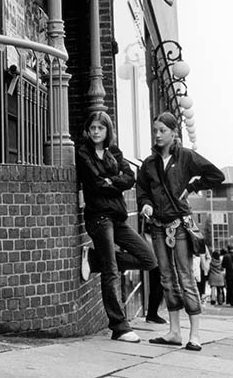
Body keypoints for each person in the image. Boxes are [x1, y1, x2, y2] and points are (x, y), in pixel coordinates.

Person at [137, 112, 224, 351]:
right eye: (155, 130)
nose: (157, 135)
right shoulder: (149, 163)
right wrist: (145, 203)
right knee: (166, 278)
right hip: (157, 226)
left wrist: (193, 186)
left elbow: (216, 175)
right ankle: (174, 332)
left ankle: (195, 335)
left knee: (186, 278)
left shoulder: (186, 157)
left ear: (174, 133)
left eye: (162, 131)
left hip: (180, 227)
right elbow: (142, 189)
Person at [76, 111, 157, 343]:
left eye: (100, 128)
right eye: (92, 128)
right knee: (111, 271)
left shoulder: (114, 151)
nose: (95, 132)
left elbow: (130, 177)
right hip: (99, 217)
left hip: (118, 217)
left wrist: (113, 181)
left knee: (148, 259)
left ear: (107, 130)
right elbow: (96, 183)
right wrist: (113, 180)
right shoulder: (83, 153)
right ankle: (119, 327)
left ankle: (94, 260)